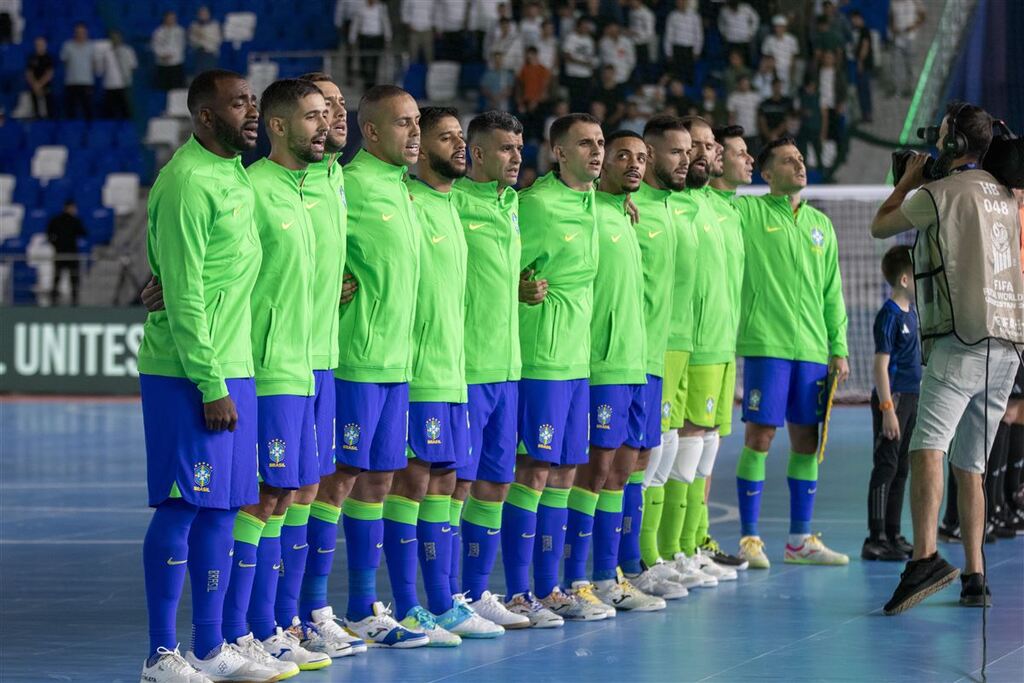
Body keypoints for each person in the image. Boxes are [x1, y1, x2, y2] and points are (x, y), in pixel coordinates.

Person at [136, 68, 290, 683]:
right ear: (204, 116)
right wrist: (211, 381)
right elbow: (187, 292)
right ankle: (159, 655)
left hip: (237, 367)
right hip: (188, 372)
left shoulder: (235, 176)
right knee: (183, 505)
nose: (250, 111)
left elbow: (237, 275)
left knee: (225, 507)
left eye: (253, 100)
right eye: (237, 103)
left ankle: (210, 645)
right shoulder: (185, 183)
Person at [871, 102, 1024, 614]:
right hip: (1007, 341)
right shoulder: (1005, 196)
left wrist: (909, 180)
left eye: (940, 139)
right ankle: (976, 575)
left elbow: (881, 225)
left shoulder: (938, 194)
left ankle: (926, 557)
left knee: (927, 447)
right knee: (971, 465)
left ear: (956, 144)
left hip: (961, 338)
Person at [383, 106, 503, 643]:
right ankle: (408, 606)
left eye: (461, 137)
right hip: (420, 369)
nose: (458, 145)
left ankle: (444, 601)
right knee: (412, 481)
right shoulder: (405, 199)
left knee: (450, 483)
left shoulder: (457, 202)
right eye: (446, 137)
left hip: (457, 371)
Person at [333, 85, 429, 647]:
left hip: (399, 363)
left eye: (418, 121)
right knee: (335, 482)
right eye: (403, 123)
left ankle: (361, 607)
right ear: (370, 132)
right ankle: (308, 611)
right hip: (355, 359)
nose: (414, 132)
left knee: (379, 481)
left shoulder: (405, 189)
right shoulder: (348, 185)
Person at [448, 111, 548, 629]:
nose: (515, 158)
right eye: (505, 149)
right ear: (477, 153)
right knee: (454, 486)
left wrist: (520, 291)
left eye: (519, 147)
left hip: (508, 368)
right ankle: (447, 599)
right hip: (463, 367)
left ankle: (476, 592)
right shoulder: (451, 202)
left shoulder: (511, 205)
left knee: (495, 484)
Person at [733, 136, 851, 569]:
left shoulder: (821, 223)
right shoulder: (748, 212)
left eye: (801, 158)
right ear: (766, 173)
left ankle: (799, 540)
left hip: (813, 351)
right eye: (788, 160)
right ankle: (749, 538)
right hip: (767, 346)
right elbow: (712, 197)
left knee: (806, 441)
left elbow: (832, 293)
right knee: (760, 437)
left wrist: (837, 346)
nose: (799, 164)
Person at [513, 113, 609, 621]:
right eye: (584, 144)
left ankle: (550, 587)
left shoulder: (595, 203)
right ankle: (516, 590)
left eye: (600, 143)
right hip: (542, 358)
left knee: (568, 470)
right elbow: (499, 269)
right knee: (533, 470)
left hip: (579, 361)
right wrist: (518, 288)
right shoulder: (536, 205)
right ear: (557, 152)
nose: (596, 152)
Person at [568, 129, 667, 613]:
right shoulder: (583, 208)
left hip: (634, 361)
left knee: (623, 470)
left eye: (641, 158)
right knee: (594, 470)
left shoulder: (629, 216)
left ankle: (609, 575)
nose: (633, 163)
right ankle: (576, 578)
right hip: (599, 363)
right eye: (622, 154)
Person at [286, 71, 366, 660]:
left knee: (327, 483)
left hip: (329, 356)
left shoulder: (336, 176)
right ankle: (283, 616)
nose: (336, 115)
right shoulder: (279, 180)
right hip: (285, 360)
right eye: (323, 107)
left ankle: (311, 610)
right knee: (284, 492)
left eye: (340, 106)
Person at [655, 117, 739, 586]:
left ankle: (686, 545)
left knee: (698, 449)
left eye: (708, 147)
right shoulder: (665, 206)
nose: (704, 155)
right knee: (667, 448)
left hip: (713, 342)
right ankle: (662, 550)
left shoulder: (715, 207)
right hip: (673, 343)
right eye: (695, 147)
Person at [862, 246, 920, 562]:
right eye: (917, 274)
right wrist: (887, 409)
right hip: (893, 399)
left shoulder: (913, 312)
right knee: (886, 466)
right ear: (903, 278)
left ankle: (894, 533)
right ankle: (876, 537)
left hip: (911, 398)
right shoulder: (890, 315)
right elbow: (880, 366)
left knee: (901, 468)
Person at [46, 200, 86, 305]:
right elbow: (49, 234)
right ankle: (62, 299)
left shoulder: (73, 220)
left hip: (67, 253)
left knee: (70, 277)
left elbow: (83, 233)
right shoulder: (58, 220)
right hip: (65, 253)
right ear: (68, 208)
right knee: (59, 277)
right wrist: (56, 244)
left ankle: (71, 299)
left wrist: (56, 245)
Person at [348, 0, 392, 88]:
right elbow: (355, 24)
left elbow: (385, 22)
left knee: (375, 60)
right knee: (364, 60)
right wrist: (352, 38)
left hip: (376, 38)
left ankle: (372, 83)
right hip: (364, 38)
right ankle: (366, 80)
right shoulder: (360, 8)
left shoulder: (381, 8)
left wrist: (388, 37)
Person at [888, 0, 926, 97]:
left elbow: (923, 16)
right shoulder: (893, 3)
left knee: (911, 65)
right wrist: (893, 28)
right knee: (895, 64)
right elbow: (891, 18)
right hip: (898, 37)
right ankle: (896, 89)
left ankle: (911, 89)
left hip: (910, 37)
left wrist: (914, 26)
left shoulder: (915, 2)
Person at [97, 30, 137, 119]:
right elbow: (100, 69)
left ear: (121, 38)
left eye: (117, 37)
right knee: (109, 113)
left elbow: (133, 66)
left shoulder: (128, 50)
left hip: (124, 86)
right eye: (113, 38)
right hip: (109, 86)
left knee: (126, 112)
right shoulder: (104, 52)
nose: (115, 40)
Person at [561, 19, 598, 112]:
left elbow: (591, 58)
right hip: (573, 75)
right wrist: (583, 63)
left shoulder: (589, 40)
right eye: (583, 26)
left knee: (585, 103)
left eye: (587, 27)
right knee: (574, 103)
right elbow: (567, 56)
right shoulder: (571, 37)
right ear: (578, 26)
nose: (585, 29)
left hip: (586, 76)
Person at [663, 0, 702, 86]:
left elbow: (698, 34)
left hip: (689, 49)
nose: (681, 3)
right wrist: (668, 52)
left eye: (683, 1)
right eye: (679, 1)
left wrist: (697, 50)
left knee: (689, 74)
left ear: (687, 2)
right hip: (677, 48)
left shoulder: (695, 16)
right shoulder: (672, 16)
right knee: (677, 75)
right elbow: (669, 35)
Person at [60, 23, 94, 119]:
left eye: (82, 32)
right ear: (74, 33)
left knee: (88, 109)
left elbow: (94, 63)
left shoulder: (91, 46)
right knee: (70, 109)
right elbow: (65, 62)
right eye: (78, 32)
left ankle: (89, 130)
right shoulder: (67, 46)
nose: (80, 34)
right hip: (71, 82)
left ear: (86, 33)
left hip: (86, 82)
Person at [761, 15, 799, 94]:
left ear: (785, 28)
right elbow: (765, 58)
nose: (778, 29)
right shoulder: (769, 40)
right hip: (772, 70)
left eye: (781, 27)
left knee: (784, 91)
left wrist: (792, 73)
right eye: (776, 27)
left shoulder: (792, 40)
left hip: (786, 69)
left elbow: (793, 58)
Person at [850, 10, 874, 123]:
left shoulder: (864, 31)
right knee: (862, 90)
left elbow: (865, 46)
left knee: (864, 90)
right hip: (862, 65)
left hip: (864, 65)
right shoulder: (859, 31)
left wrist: (860, 62)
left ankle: (867, 114)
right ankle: (865, 114)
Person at [153, 12, 186, 91]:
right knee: (163, 88)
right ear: (165, 19)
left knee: (176, 88)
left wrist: (171, 55)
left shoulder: (180, 31)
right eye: (169, 18)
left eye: (173, 18)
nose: (171, 20)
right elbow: (155, 46)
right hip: (162, 63)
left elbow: (181, 46)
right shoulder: (158, 32)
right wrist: (162, 55)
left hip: (176, 63)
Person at [25, 36, 55, 119]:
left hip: (45, 86)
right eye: (37, 45)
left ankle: (48, 122)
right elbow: (28, 73)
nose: (39, 46)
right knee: (35, 110)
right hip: (34, 86)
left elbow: (49, 73)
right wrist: (35, 84)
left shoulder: (48, 58)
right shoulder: (32, 58)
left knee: (49, 109)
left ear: (45, 45)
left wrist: (40, 84)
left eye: (41, 44)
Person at [188, 6, 222, 77]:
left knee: (210, 75)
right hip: (199, 53)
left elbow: (217, 40)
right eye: (201, 14)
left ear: (209, 14)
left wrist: (203, 34)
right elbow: (192, 40)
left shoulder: (214, 25)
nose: (203, 15)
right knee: (199, 75)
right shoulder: (194, 25)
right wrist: (199, 39)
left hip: (210, 53)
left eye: (205, 14)